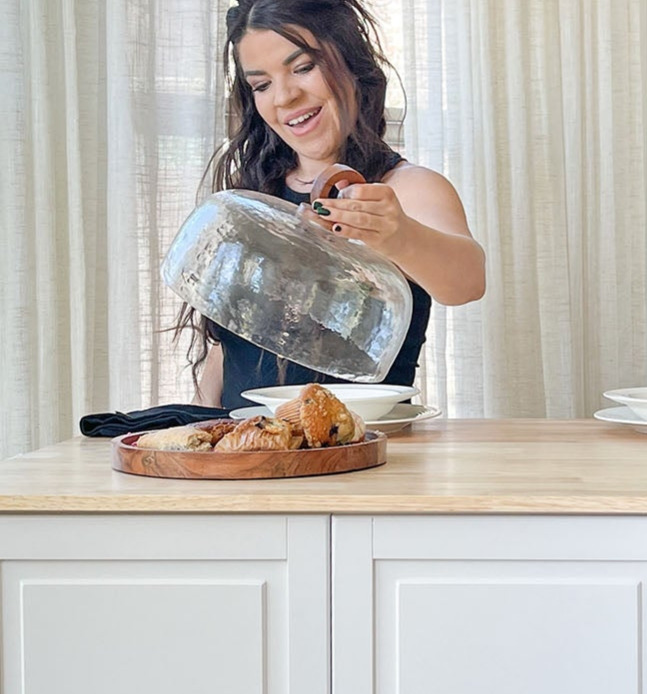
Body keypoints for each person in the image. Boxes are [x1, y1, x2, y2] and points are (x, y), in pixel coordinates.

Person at [187, 0, 486, 409]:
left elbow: (467, 282)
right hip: (249, 454)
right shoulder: (255, 197)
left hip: (366, 457)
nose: (286, 96)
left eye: (303, 67)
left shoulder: (408, 189)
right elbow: (229, 345)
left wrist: (397, 236)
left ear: (349, 61)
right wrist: (199, 428)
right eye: (262, 85)